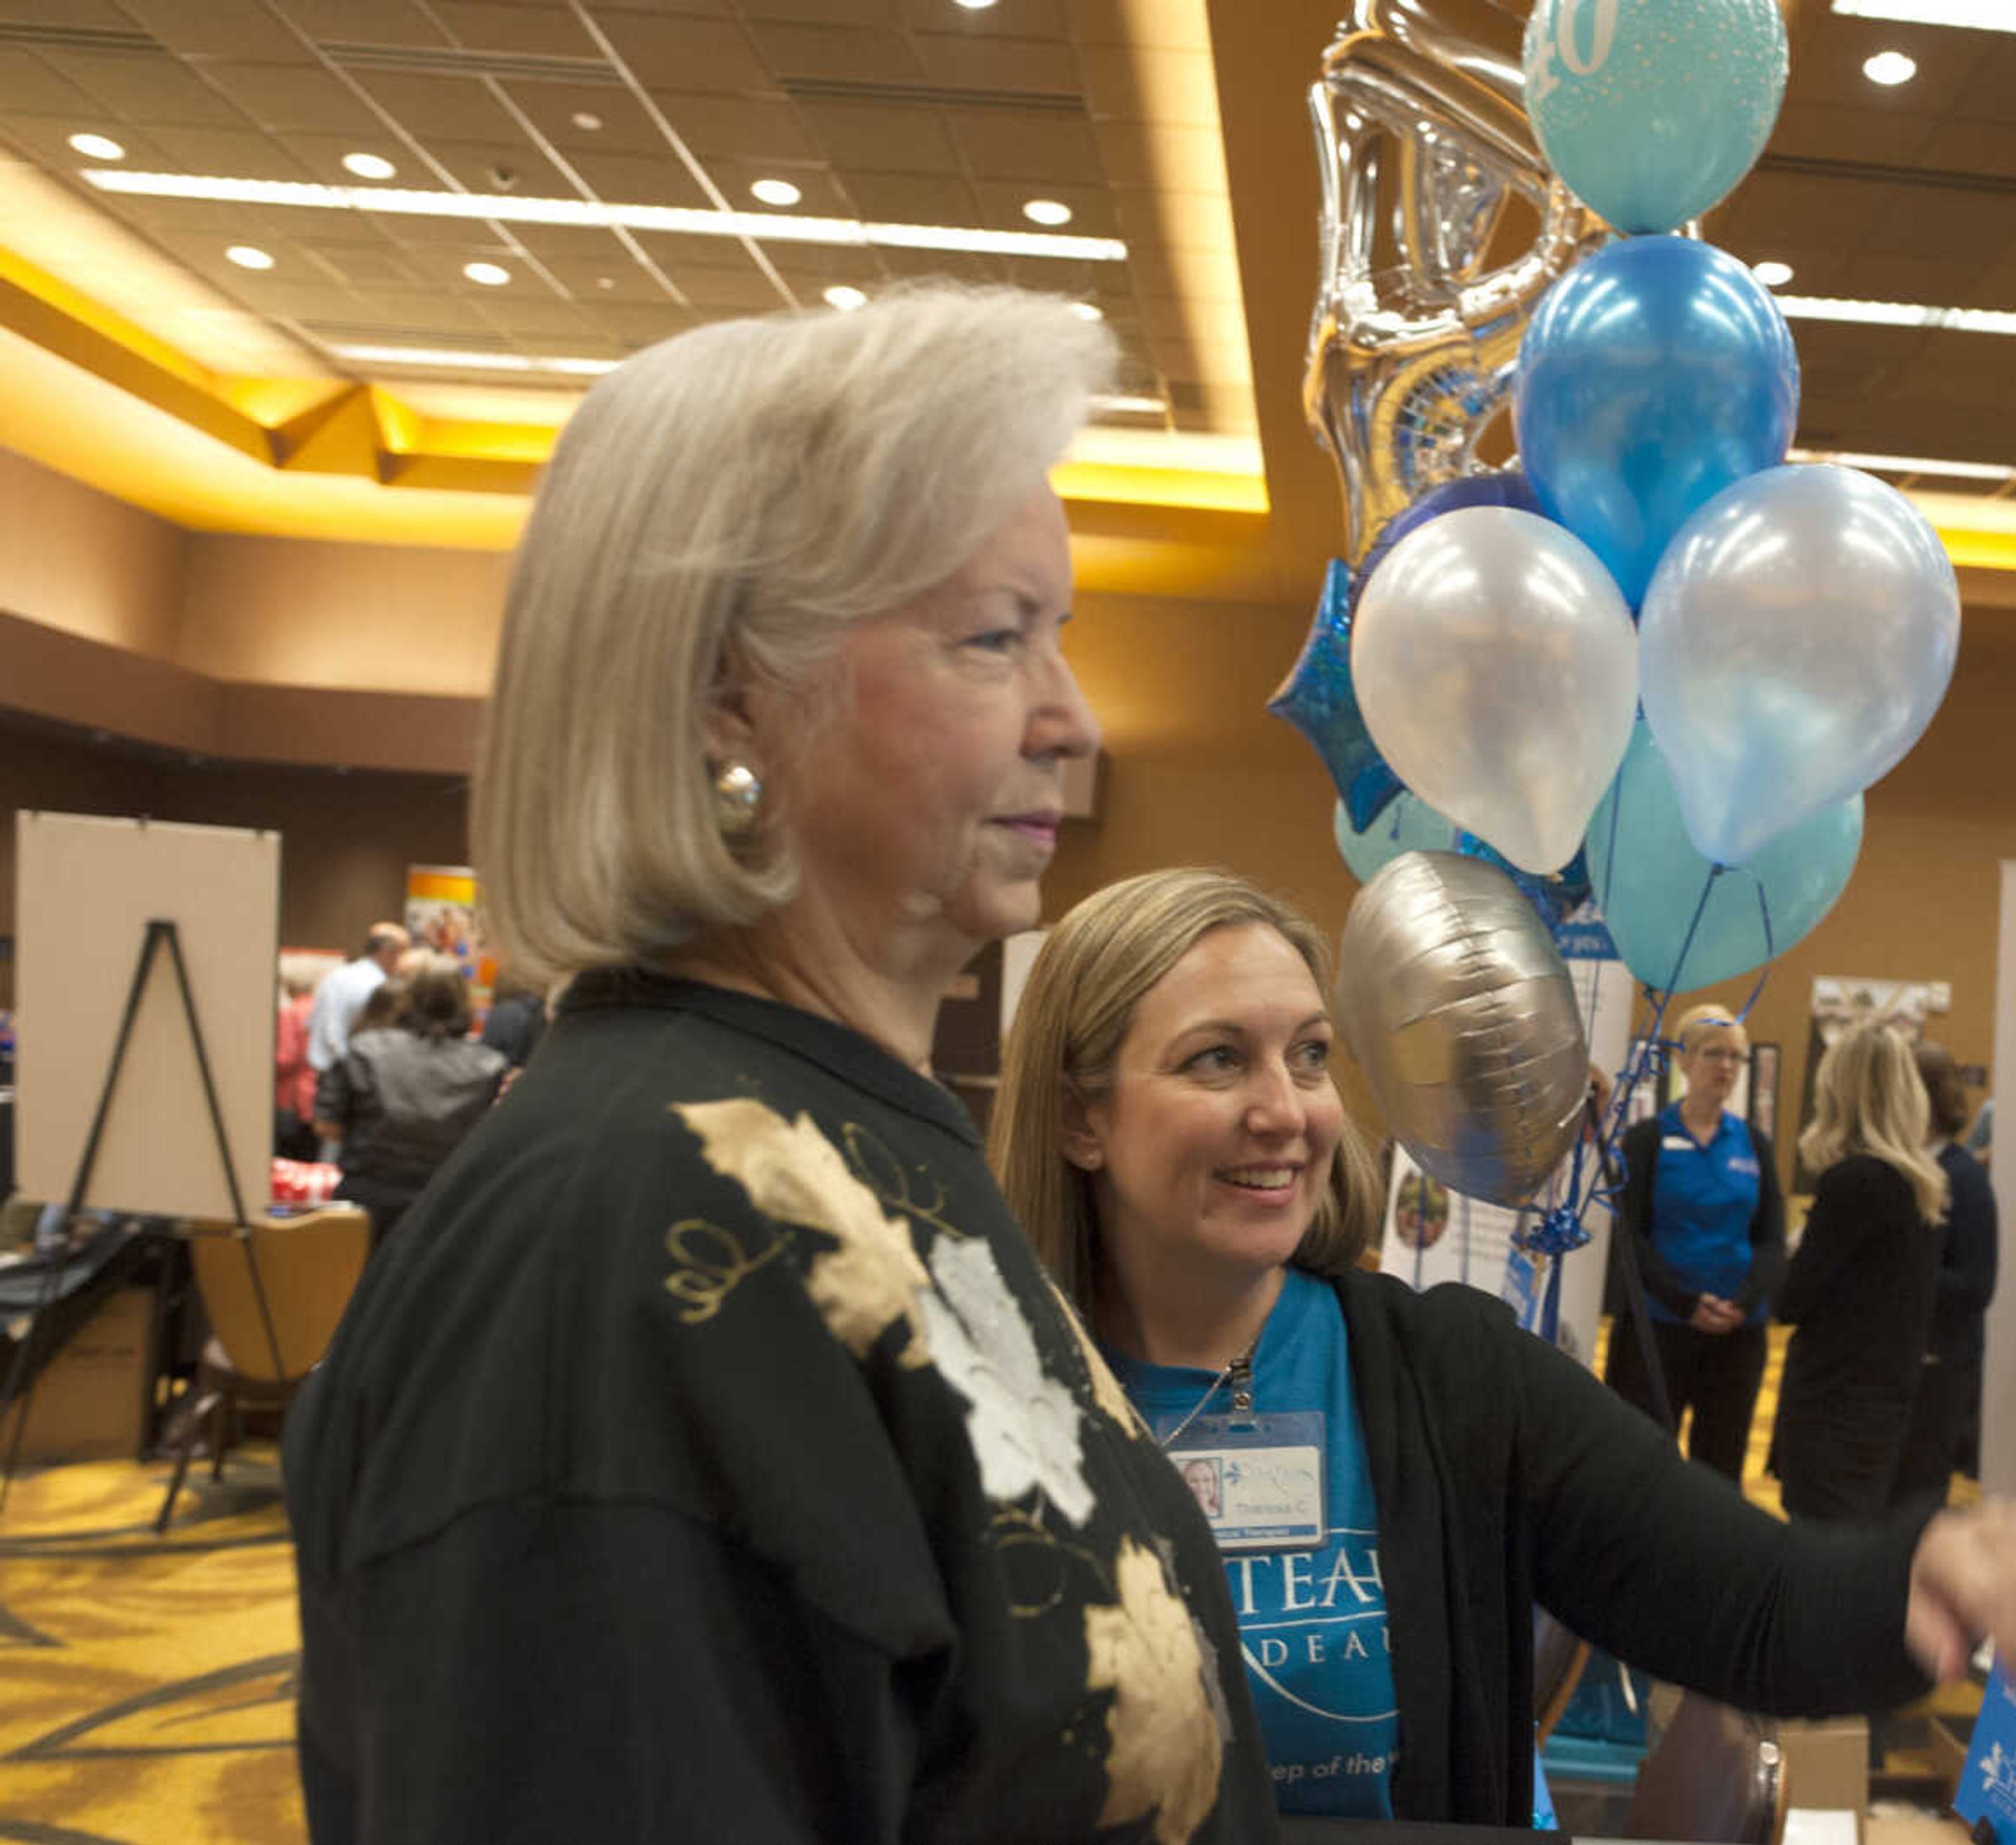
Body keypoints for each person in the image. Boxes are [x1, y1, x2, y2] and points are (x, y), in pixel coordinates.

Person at [282, 285, 1278, 1845]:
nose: (1070, 717)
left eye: (1056, 636)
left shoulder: (847, 1129)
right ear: (730, 690)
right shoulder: (613, 1242)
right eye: (993, 637)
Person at [992, 868, 2016, 1827]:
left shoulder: (1449, 1378)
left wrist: (1913, 1579)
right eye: (1218, 1061)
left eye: (1315, 1055)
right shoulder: (966, 1403)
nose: (1289, 1112)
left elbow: (1747, 1601)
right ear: (1081, 1117)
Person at [1773, 1023, 1949, 1525]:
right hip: (1883, 1401)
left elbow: (1792, 1299)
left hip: (1834, 1406)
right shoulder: (1922, 1185)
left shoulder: (1855, 1182)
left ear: (1840, 1089)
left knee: (1821, 1551)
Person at [1602, 1003, 1784, 1483]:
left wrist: (1741, 1304)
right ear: (1683, 1059)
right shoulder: (1647, 1140)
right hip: (1659, 1331)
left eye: (1735, 1057)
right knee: (1643, 1468)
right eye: (1712, 1053)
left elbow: (1770, 1241)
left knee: (1719, 1472)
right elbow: (1629, 1240)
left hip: (1737, 1335)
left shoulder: (1753, 1143)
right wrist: (1686, 1304)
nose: (1725, 1066)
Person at [310, 956, 507, 1247]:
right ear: (465, 1003)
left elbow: (326, 1126)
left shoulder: (366, 1050)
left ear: (408, 999)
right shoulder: (489, 1066)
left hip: (367, 1205)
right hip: (447, 1208)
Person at [1890, 1042, 2000, 1508]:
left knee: (1918, 1502)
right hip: (1899, 1366)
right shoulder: (1902, 1168)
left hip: (1940, 1371)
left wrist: (1891, 1275)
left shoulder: (1964, 1178)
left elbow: (1977, 1287)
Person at [303, 924, 406, 1158]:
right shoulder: (379, 987)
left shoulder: (335, 977)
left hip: (327, 1077)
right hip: (364, 1084)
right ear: (390, 952)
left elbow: (312, 1028)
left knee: (329, 1153)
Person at [273, 964, 320, 1161]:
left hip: (292, 1098)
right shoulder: (322, 1011)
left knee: (289, 1162)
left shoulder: (289, 1014)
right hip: (318, 1095)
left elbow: (285, 1058)